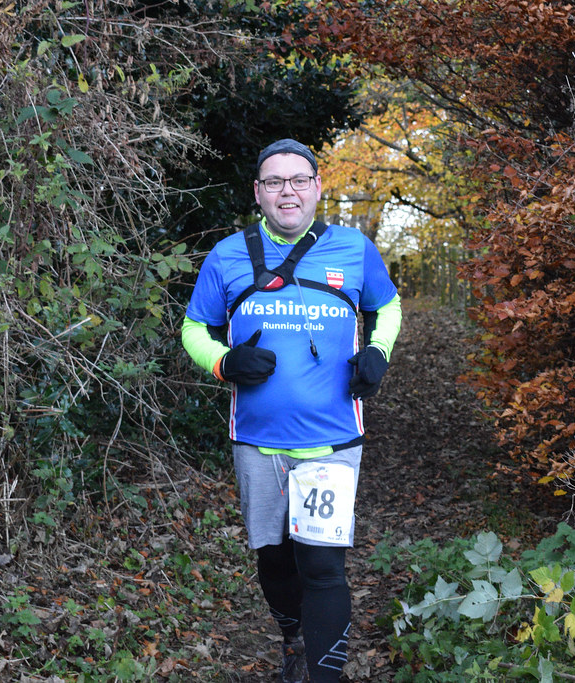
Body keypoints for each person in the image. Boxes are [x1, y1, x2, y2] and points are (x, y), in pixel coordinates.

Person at [181, 139, 402, 683]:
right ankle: (292, 639)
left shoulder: (353, 249)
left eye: (299, 180)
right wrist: (223, 362)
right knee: (275, 562)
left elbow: (388, 306)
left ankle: (325, 675)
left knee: (322, 565)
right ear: (258, 192)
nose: (288, 191)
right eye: (275, 182)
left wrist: (377, 352)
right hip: (258, 441)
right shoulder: (227, 255)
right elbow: (193, 328)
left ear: (317, 188)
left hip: (332, 439)